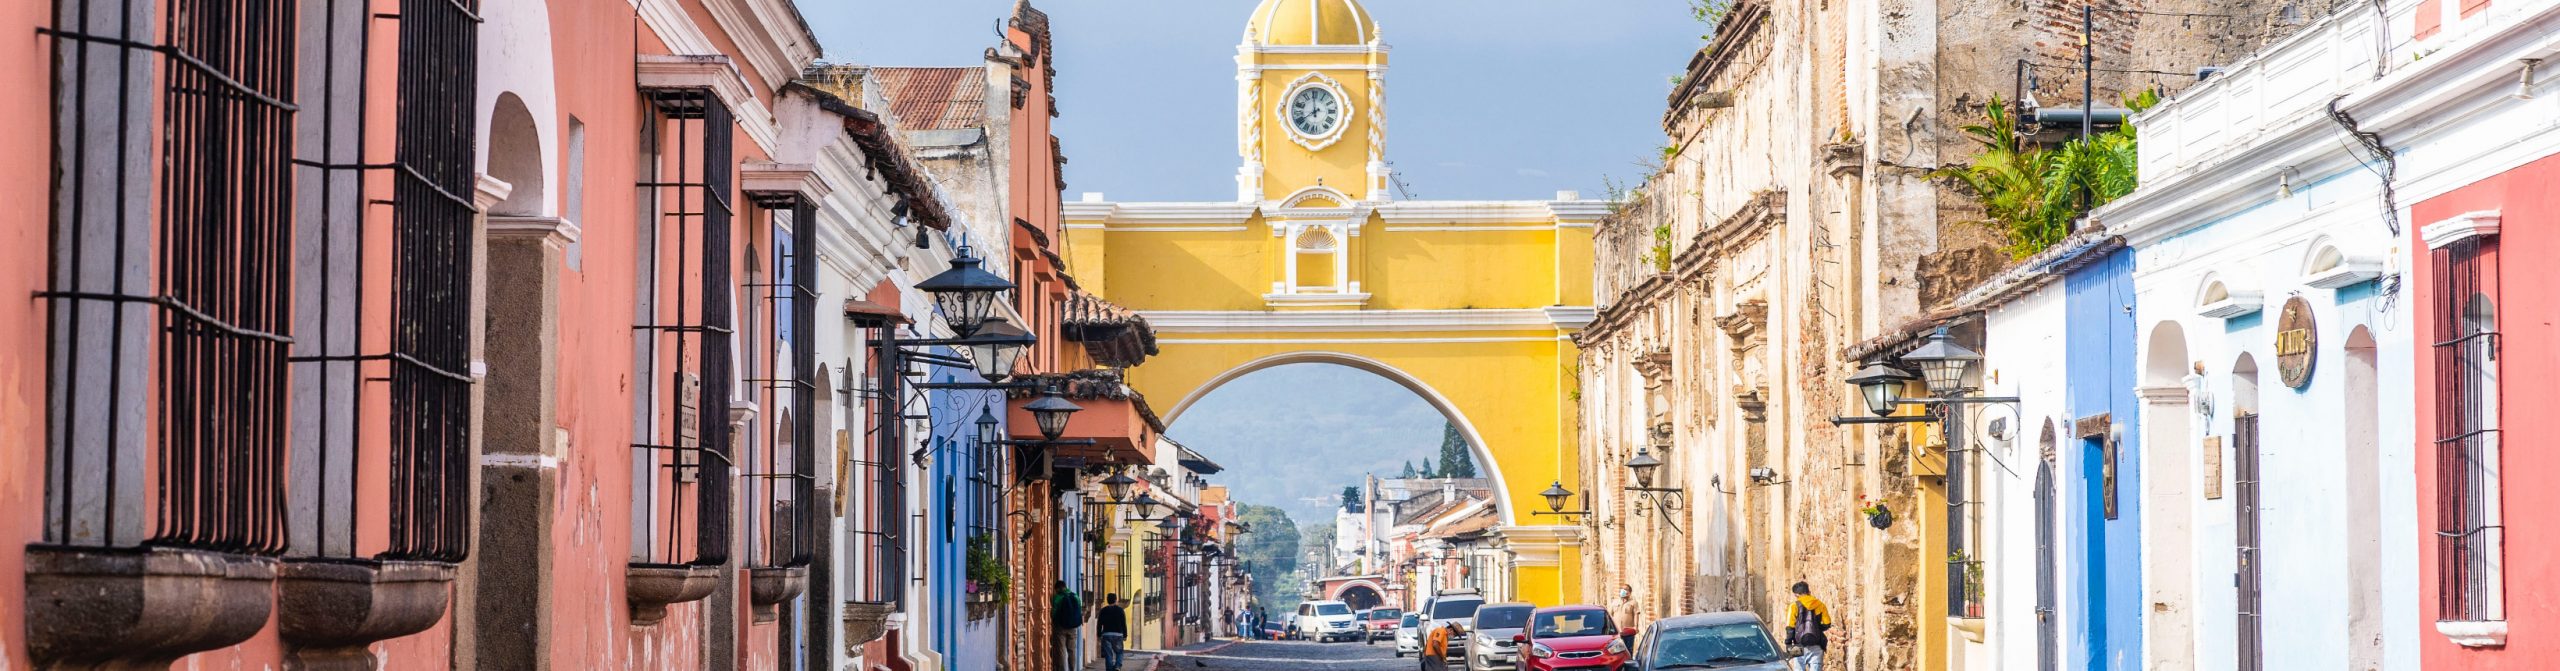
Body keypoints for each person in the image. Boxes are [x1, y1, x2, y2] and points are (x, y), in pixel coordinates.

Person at [1785, 581, 1832, 671]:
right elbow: (1827, 624)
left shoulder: (1794, 606)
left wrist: (1788, 644)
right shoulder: (1820, 605)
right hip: (1816, 643)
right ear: (1808, 592)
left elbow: (1790, 627)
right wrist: (1816, 628)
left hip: (1798, 644)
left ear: (1796, 595)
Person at [1050, 582, 1085, 671]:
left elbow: (1054, 612)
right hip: (1073, 627)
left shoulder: (1057, 598)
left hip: (1060, 627)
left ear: (1057, 589)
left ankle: (1061, 669)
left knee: (1061, 650)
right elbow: (1079, 609)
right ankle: (1072, 669)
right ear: (1065, 587)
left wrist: (1053, 620)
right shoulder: (1075, 596)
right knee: (1072, 650)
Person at [1096, 593, 1129, 671]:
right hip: (1118, 634)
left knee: (1108, 653)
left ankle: (1109, 668)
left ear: (1107, 600)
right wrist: (1125, 635)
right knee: (1119, 652)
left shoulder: (1103, 610)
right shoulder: (1120, 610)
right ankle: (1117, 666)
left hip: (1106, 634)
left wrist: (1099, 634)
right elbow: (1123, 623)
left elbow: (1099, 623)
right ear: (1115, 600)